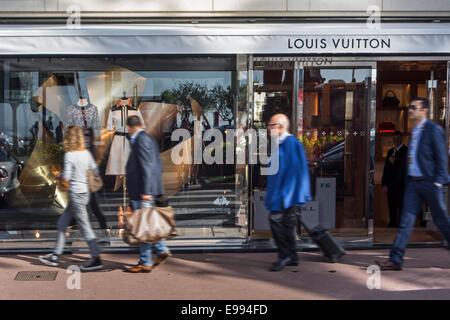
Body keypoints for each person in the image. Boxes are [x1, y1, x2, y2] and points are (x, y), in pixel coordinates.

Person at [376, 97, 450, 271]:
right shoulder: (415, 131)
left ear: (424, 110)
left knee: (441, 221)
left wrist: (439, 182)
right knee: (405, 222)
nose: (410, 110)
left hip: (431, 183)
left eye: (414, 108)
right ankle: (395, 259)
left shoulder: (434, 130)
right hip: (414, 184)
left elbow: (442, 158)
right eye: (410, 107)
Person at [38, 125, 103, 271]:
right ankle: (55, 255)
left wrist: (58, 175)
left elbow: (66, 177)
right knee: (62, 224)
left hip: (76, 194)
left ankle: (96, 258)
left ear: (69, 138)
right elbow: (96, 170)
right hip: (84, 193)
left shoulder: (70, 155)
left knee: (85, 227)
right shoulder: (86, 153)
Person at [264, 114, 312, 272]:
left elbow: (296, 172)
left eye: (272, 125)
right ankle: (292, 256)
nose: (268, 128)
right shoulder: (281, 143)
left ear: (281, 127)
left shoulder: (291, 143)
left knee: (277, 222)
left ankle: (284, 256)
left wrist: (286, 195)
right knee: (287, 226)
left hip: (285, 195)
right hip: (283, 195)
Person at [124, 115, 171, 273]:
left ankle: (145, 261)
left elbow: (147, 166)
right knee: (147, 224)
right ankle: (161, 249)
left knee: (143, 227)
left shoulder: (141, 140)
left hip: (142, 191)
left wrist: (145, 191)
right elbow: (155, 165)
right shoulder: (148, 139)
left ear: (130, 127)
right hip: (146, 190)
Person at [381, 131, 408, 228]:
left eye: (397, 139)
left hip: (401, 185)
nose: (395, 141)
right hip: (390, 185)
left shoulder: (406, 151)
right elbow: (386, 169)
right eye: (394, 139)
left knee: (401, 206)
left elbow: (404, 167)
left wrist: (395, 162)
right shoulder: (390, 151)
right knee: (391, 205)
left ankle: (401, 225)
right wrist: (384, 184)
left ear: (401, 139)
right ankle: (392, 223)